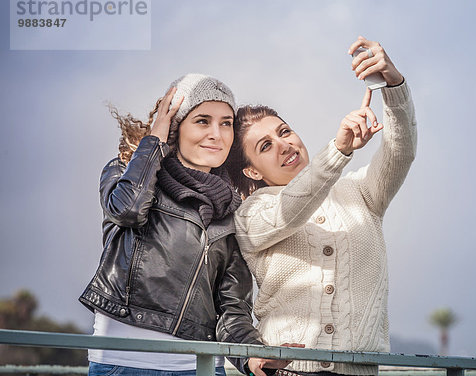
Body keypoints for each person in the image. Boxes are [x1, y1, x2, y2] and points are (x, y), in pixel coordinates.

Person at [227, 37, 417, 375]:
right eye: (266, 145)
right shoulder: (251, 214)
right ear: (251, 170)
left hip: (359, 370)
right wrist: (339, 150)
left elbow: (401, 152)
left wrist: (393, 84)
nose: (284, 145)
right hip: (287, 371)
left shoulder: (360, 191)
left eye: (285, 131)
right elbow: (291, 210)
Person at [79, 74, 292, 376]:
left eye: (226, 123)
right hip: (125, 364)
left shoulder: (233, 212)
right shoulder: (126, 171)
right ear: (176, 126)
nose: (217, 134)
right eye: (203, 121)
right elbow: (127, 210)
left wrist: (251, 356)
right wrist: (154, 141)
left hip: (201, 368)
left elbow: (232, 310)